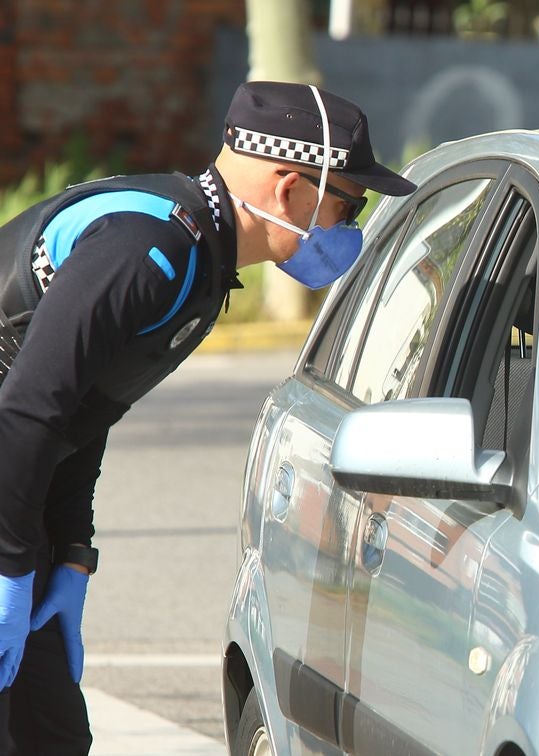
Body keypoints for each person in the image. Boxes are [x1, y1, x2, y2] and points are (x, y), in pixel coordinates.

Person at [0, 80, 416, 754]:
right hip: (8, 498)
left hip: (17, 499)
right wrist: (13, 566)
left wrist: (72, 555)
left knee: (48, 737)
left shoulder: (199, 258)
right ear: (290, 188)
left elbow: (83, 413)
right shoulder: (151, 251)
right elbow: (24, 412)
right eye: (349, 202)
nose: (353, 226)